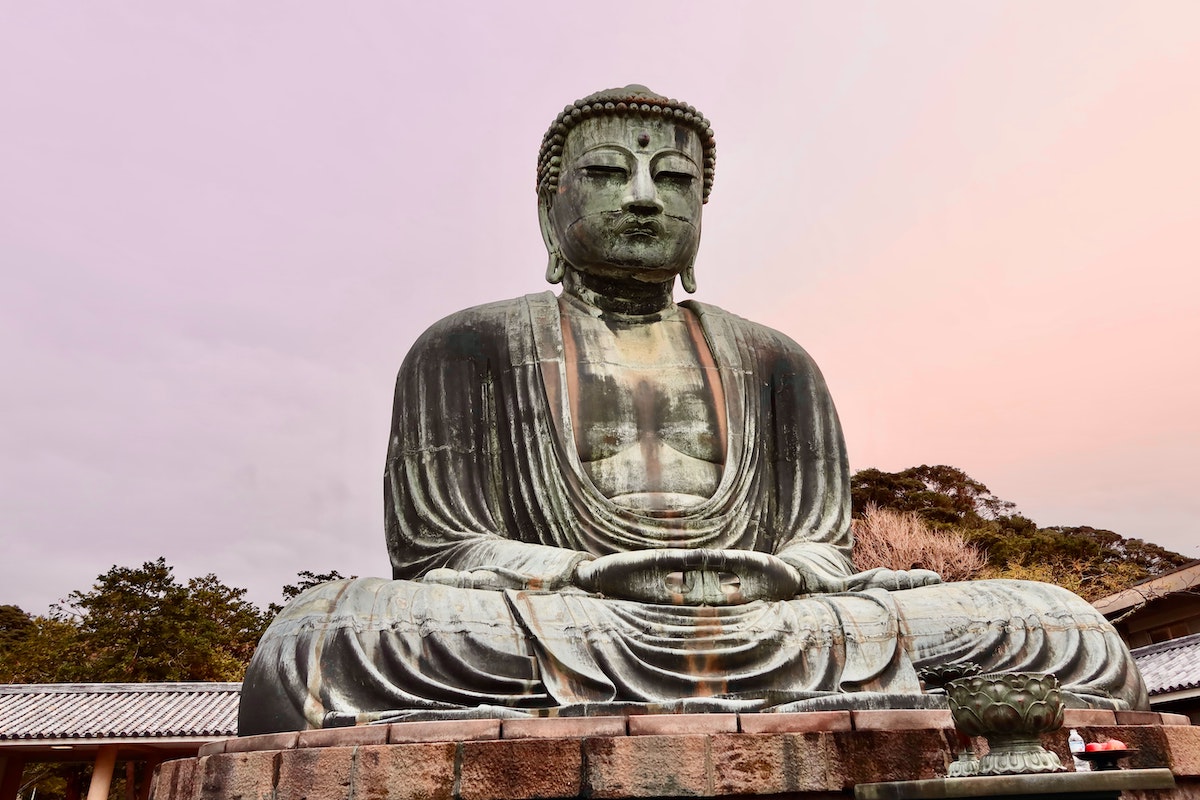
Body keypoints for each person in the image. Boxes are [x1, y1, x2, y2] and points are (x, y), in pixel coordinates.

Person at [238, 86, 1147, 735]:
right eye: (606, 172)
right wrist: (589, 579)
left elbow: (819, 546)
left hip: (779, 622)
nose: (642, 196)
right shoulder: (469, 346)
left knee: (1063, 625)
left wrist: (785, 579)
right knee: (320, 638)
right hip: (567, 618)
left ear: (702, 207)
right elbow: (443, 551)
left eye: (674, 180)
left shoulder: (772, 358)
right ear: (552, 206)